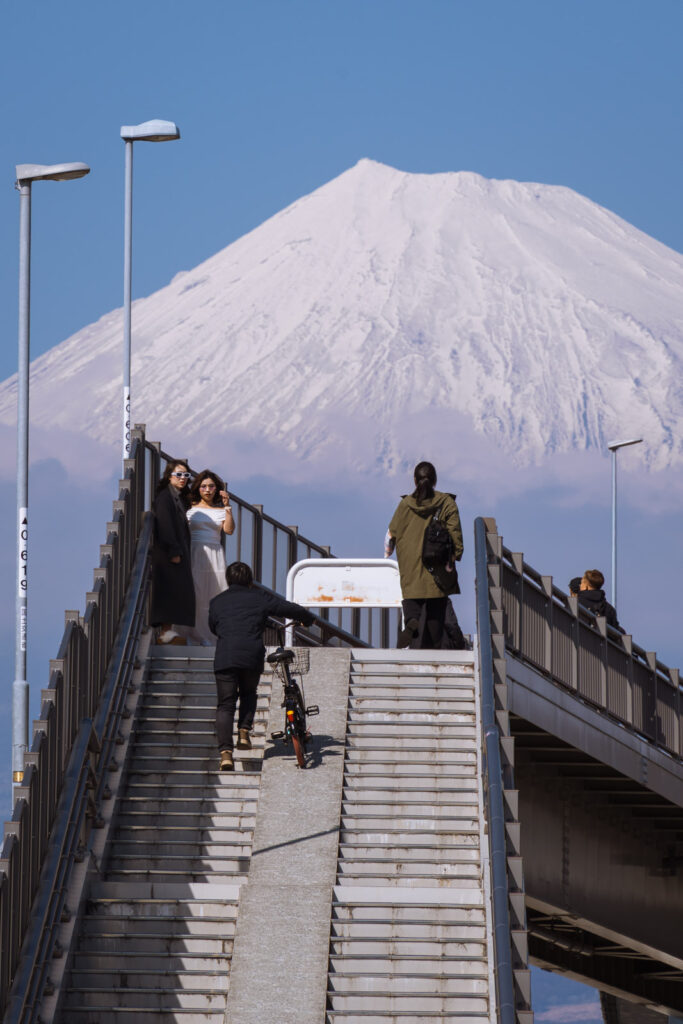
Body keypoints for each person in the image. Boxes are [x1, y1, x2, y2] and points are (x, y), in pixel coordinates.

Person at [208, 561, 315, 771]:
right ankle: (244, 732)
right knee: (248, 693)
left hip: (225, 657)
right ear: (250, 580)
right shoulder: (258, 597)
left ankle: (226, 755)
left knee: (225, 705)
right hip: (250, 656)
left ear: (228, 580)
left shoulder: (216, 602)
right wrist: (308, 618)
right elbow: (286, 607)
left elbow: (213, 626)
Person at [386, 461, 463, 650]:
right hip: (437, 569)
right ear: (435, 480)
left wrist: (389, 554)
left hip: (410, 569)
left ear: (414, 480)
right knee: (436, 614)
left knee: (413, 603)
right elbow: (457, 541)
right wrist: (454, 557)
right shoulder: (447, 503)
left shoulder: (405, 505)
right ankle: (435, 652)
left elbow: (390, 535)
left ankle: (412, 621)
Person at [183, 469, 235, 645]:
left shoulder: (221, 510)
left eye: (211, 486)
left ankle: (214, 635)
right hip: (196, 551)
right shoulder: (190, 510)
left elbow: (229, 530)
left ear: (217, 489)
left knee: (216, 594)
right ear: (198, 488)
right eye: (204, 486)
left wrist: (227, 506)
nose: (207, 490)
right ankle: (195, 635)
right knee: (196, 594)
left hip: (215, 553)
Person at [150, 459, 196, 644]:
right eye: (178, 474)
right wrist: (174, 550)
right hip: (169, 554)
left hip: (175, 552)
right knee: (169, 591)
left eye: (186, 475)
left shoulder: (178, 497)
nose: (183, 478)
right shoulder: (165, 498)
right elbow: (165, 525)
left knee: (176, 591)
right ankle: (165, 631)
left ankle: (169, 631)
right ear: (169, 477)